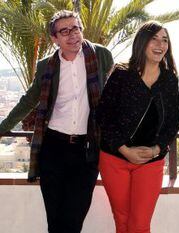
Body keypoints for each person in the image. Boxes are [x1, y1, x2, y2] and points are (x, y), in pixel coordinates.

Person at [0, 10, 113, 233]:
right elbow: (28, 101)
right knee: (55, 219)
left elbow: (114, 94)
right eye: (65, 31)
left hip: (87, 149)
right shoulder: (46, 67)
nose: (73, 35)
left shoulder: (101, 56)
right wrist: (2, 128)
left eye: (76, 28)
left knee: (73, 219)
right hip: (53, 149)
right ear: (55, 38)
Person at [96, 21, 179, 233]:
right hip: (115, 158)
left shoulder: (170, 79)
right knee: (122, 219)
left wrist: (156, 149)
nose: (160, 44)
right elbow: (103, 115)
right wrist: (124, 149)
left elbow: (172, 123)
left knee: (140, 224)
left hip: (151, 162)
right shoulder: (122, 74)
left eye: (165, 40)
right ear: (142, 42)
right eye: (154, 39)